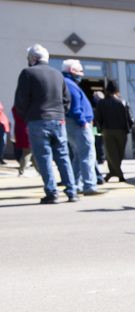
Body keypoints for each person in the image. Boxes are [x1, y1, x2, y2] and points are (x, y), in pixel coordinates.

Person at [14, 44, 78, 204]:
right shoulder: (58, 75)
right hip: (58, 120)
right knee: (63, 156)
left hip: (37, 120)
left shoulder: (27, 73)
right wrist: (60, 113)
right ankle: (72, 192)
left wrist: (26, 116)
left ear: (33, 59)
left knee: (44, 157)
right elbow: (66, 100)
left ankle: (52, 192)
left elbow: (20, 101)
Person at [61, 59, 104, 196]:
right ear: (72, 71)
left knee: (79, 156)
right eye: (80, 71)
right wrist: (82, 121)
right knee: (87, 155)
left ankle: (76, 184)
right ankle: (89, 185)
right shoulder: (70, 85)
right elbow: (75, 106)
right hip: (79, 124)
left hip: (74, 123)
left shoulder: (67, 83)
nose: (82, 73)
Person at [94, 80, 132, 182]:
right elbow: (129, 118)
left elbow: (98, 118)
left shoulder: (101, 103)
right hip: (122, 131)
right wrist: (129, 128)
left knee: (111, 154)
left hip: (107, 130)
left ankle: (113, 172)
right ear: (117, 90)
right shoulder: (123, 102)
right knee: (119, 153)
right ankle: (118, 174)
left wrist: (101, 128)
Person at [11, 106, 34, 176]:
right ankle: (21, 171)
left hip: (19, 130)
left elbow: (11, 121)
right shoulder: (30, 108)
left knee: (29, 153)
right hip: (29, 131)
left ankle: (22, 171)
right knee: (28, 153)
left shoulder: (15, 109)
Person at [92, 91, 106, 184]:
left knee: (99, 145)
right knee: (98, 145)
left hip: (99, 129)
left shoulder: (99, 107)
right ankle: (101, 158)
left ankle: (101, 158)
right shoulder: (101, 106)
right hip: (97, 129)